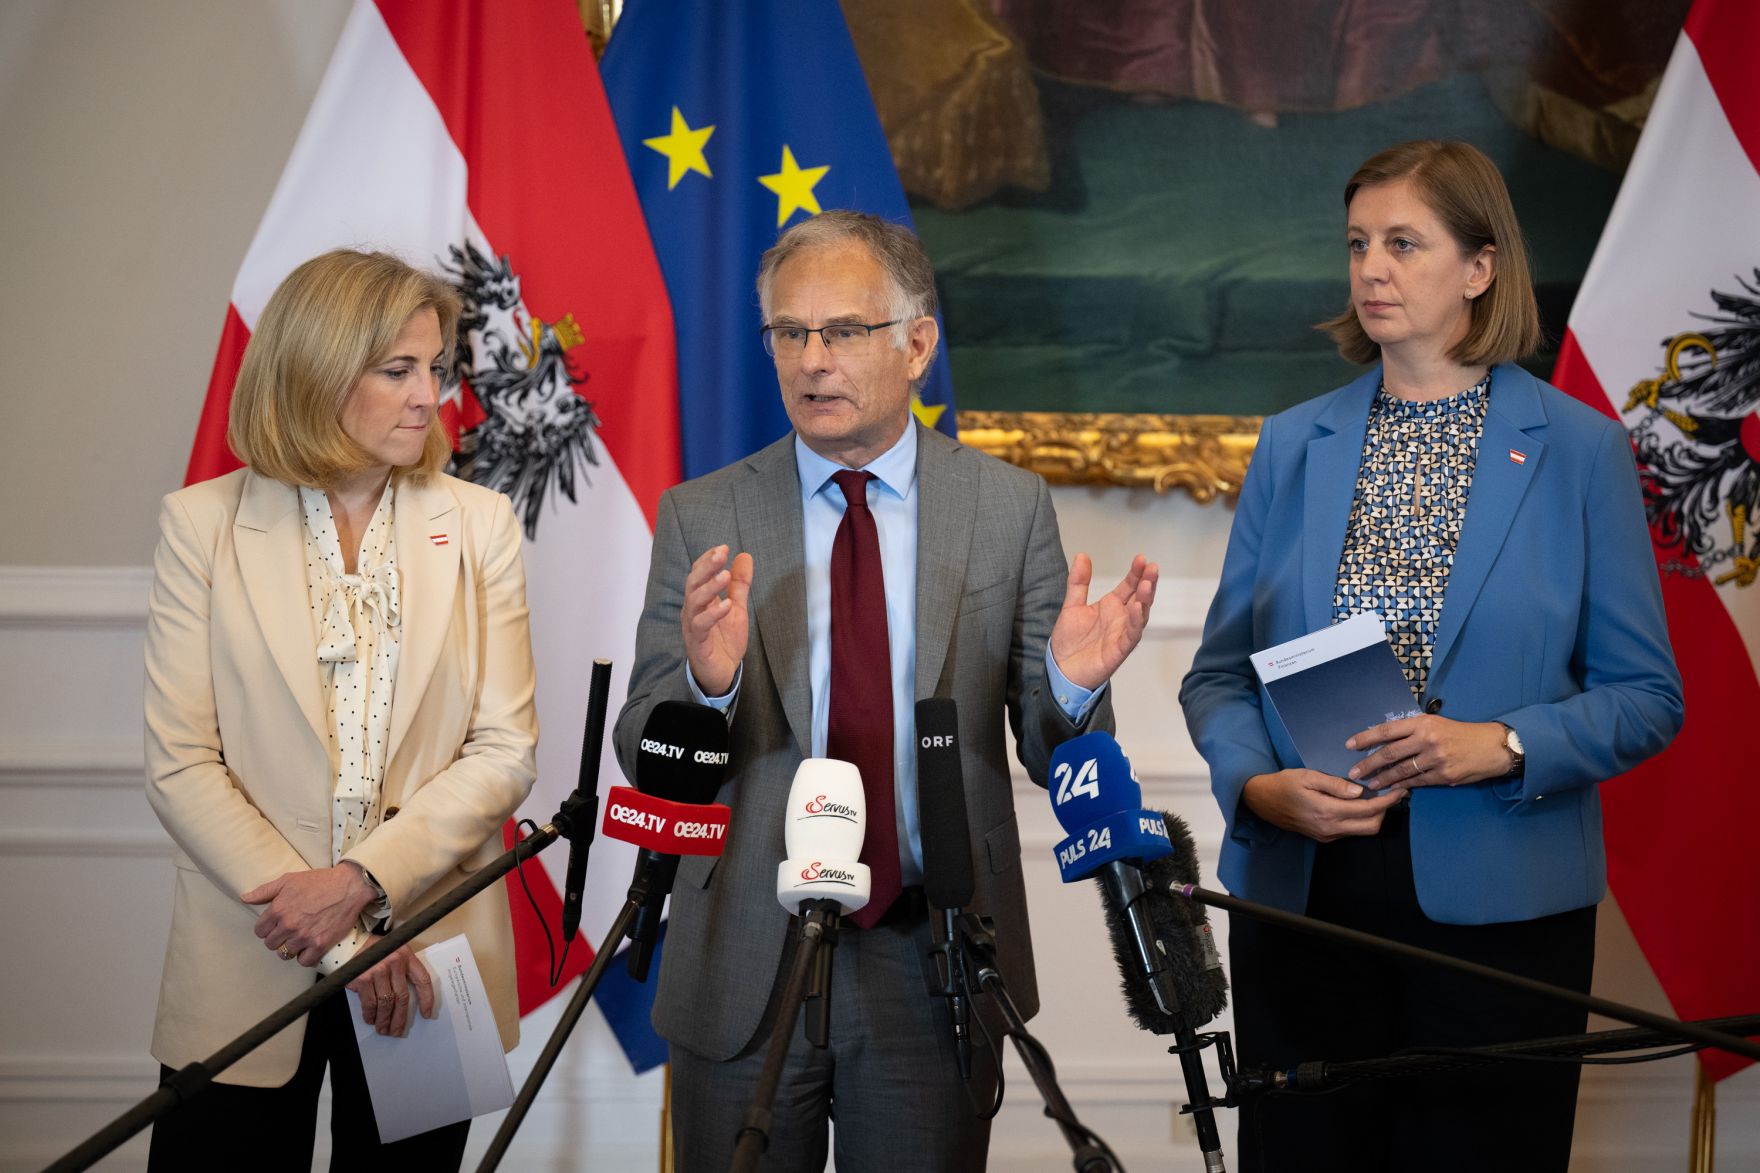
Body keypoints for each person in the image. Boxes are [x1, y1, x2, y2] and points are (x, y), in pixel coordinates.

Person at [613, 210, 1158, 1172]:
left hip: (932, 952)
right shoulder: (704, 512)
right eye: (790, 332)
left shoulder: (1006, 506)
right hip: (746, 946)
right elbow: (647, 756)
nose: (812, 359)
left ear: (917, 344)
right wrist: (709, 681)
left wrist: (1070, 684)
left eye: (843, 331)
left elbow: (1049, 744)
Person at [1180, 139, 1683, 1171]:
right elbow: (1217, 674)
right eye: (1357, 242)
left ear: (1477, 267)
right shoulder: (1290, 444)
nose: (1370, 267)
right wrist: (1258, 789)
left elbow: (1645, 697)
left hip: (1501, 906)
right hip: (1307, 897)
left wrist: (1496, 743)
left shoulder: (1577, 448)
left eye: (1403, 243)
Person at [142, 248, 538, 1168]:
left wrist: (360, 887)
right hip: (249, 959)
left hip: (433, 958)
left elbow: (504, 747)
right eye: (398, 369)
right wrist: (343, 943)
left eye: (435, 369)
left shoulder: (480, 523)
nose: (428, 395)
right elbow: (180, 762)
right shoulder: (199, 524)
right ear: (317, 368)